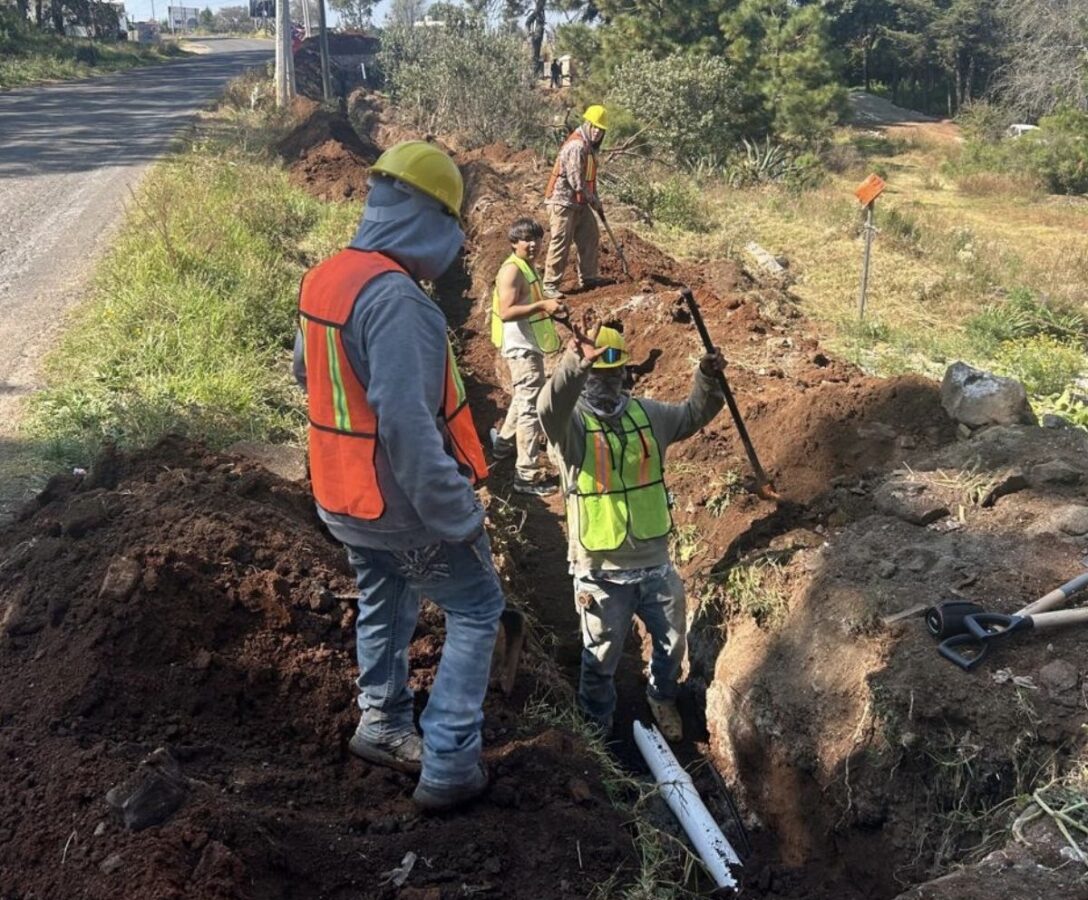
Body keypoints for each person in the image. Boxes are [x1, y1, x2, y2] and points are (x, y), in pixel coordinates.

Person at [293, 141, 503, 811]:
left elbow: (306, 372)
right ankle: (449, 762)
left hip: (342, 496)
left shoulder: (328, 277)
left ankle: (382, 723)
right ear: (428, 221)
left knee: (384, 594)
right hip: (402, 505)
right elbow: (408, 428)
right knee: (477, 608)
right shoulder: (398, 303)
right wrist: (457, 514)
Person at [537, 312, 726, 741]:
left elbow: (693, 414)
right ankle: (596, 726)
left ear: (625, 373)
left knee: (672, 643)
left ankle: (662, 696)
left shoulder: (648, 414)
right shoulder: (572, 428)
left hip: (655, 562)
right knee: (601, 658)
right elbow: (549, 407)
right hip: (600, 570)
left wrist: (707, 377)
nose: (605, 383)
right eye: (596, 375)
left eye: (612, 373)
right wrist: (574, 362)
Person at [489, 217, 564, 496]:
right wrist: (543, 305)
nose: (533, 245)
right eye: (526, 240)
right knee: (531, 409)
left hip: (528, 346)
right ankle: (526, 477)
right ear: (514, 243)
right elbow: (506, 312)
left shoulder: (526, 266)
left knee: (523, 399)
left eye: (537, 239)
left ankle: (501, 447)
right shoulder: (511, 271)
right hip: (521, 349)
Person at [542, 105, 608, 300]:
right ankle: (550, 285)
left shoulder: (590, 148)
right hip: (562, 202)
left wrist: (596, 199)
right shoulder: (577, 146)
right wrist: (593, 201)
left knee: (590, 235)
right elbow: (576, 182)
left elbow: (589, 180)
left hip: (579, 202)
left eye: (601, 129)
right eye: (594, 127)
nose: (597, 132)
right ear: (587, 123)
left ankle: (589, 278)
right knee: (561, 241)